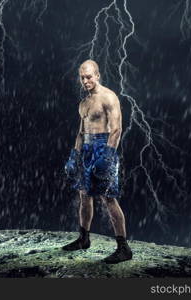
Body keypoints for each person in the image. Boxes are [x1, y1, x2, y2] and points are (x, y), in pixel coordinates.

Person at [62, 59, 133, 264]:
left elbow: (117, 128)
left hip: (104, 147)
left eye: (89, 76)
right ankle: (84, 238)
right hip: (86, 149)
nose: (85, 81)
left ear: (98, 75)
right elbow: (80, 132)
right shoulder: (83, 103)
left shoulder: (108, 97)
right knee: (84, 196)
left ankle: (123, 248)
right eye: (82, 77)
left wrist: (108, 156)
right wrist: (74, 155)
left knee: (109, 198)